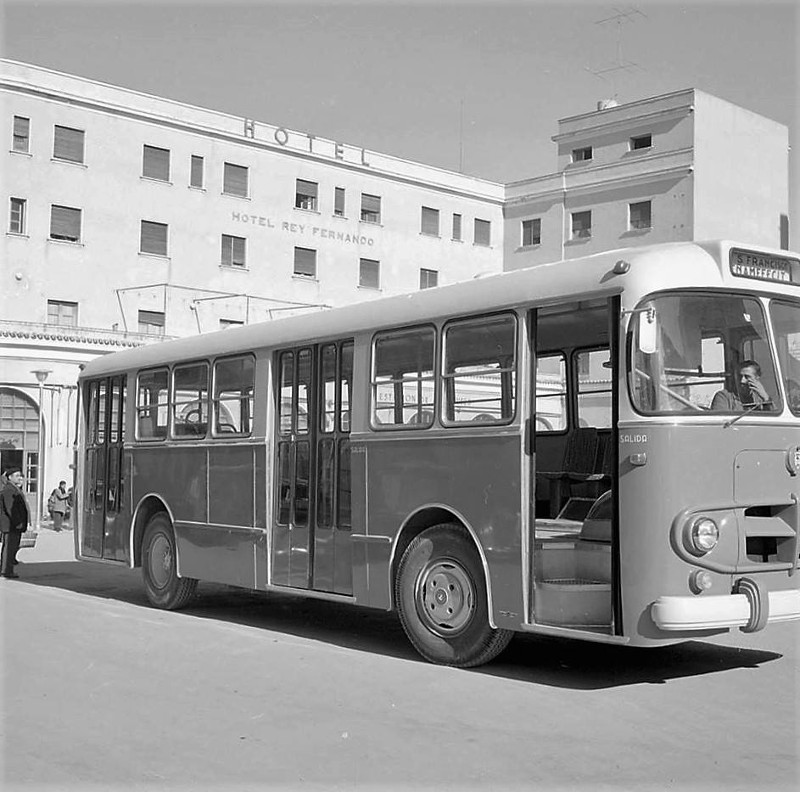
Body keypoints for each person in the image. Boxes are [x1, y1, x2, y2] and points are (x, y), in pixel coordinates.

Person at [1, 467, 30, 579]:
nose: (20, 478)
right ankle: (6, 570)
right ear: (10, 477)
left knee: (12, 547)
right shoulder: (9, 490)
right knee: (9, 548)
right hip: (10, 525)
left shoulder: (15, 489)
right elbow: (10, 508)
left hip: (13, 525)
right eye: (17, 476)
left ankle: (7, 569)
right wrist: (18, 523)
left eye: (20, 476)